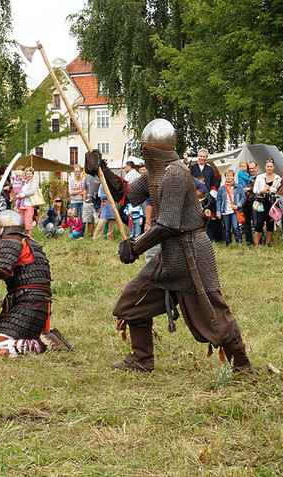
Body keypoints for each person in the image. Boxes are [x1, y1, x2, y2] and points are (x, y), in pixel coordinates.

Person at [88, 118, 250, 373]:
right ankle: (141, 359)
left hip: (191, 254)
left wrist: (135, 248)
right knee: (132, 303)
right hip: (170, 255)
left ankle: (242, 364)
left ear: (154, 149)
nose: (142, 152)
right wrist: (101, 169)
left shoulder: (175, 173)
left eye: (145, 147)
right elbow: (126, 194)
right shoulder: (156, 172)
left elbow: (169, 224)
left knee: (212, 312)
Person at [0, 210, 71, 357]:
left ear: (1, 229)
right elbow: (0, 266)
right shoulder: (29, 242)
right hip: (34, 307)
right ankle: (40, 340)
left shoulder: (12, 239)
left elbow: (2, 270)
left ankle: (46, 343)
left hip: (28, 307)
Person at [252, 158, 281, 246]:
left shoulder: (277, 178)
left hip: (272, 203)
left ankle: (267, 243)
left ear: (273, 167)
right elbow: (254, 190)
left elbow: (279, 191)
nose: (269, 168)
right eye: (267, 166)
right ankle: (256, 243)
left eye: (271, 166)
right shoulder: (260, 177)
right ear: (265, 167)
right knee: (259, 223)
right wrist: (262, 191)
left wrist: (270, 189)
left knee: (270, 223)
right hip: (261, 202)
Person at [216, 169, 245, 246]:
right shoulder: (221, 188)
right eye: (227, 176)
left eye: (230, 176)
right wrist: (218, 212)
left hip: (234, 211)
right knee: (227, 228)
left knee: (235, 227)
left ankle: (239, 242)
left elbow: (243, 197)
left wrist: (238, 205)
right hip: (225, 211)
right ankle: (228, 243)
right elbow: (218, 200)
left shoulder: (238, 187)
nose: (228, 177)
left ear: (233, 177)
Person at [241, 160, 258, 245]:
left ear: (256, 168)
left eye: (253, 168)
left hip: (255, 201)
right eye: (249, 168)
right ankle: (249, 241)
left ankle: (258, 241)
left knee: (256, 223)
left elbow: (257, 188)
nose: (251, 170)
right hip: (246, 202)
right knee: (246, 223)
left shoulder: (259, 177)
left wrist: (247, 189)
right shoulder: (245, 176)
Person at [17, 167, 38, 235]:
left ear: (33, 174)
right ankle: (24, 236)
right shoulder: (24, 182)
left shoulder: (34, 182)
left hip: (29, 203)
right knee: (22, 221)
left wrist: (24, 195)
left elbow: (33, 191)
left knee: (28, 221)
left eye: (30, 174)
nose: (28, 175)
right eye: (27, 174)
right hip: (21, 204)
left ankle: (29, 237)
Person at [82, 172, 100, 237]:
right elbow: (85, 189)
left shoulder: (99, 177)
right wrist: (84, 199)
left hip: (96, 202)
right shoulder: (86, 178)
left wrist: (98, 196)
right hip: (87, 201)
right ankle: (90, 235)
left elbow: (102, 189)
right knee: (89, 220)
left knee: (97, 220)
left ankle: (97, 236)